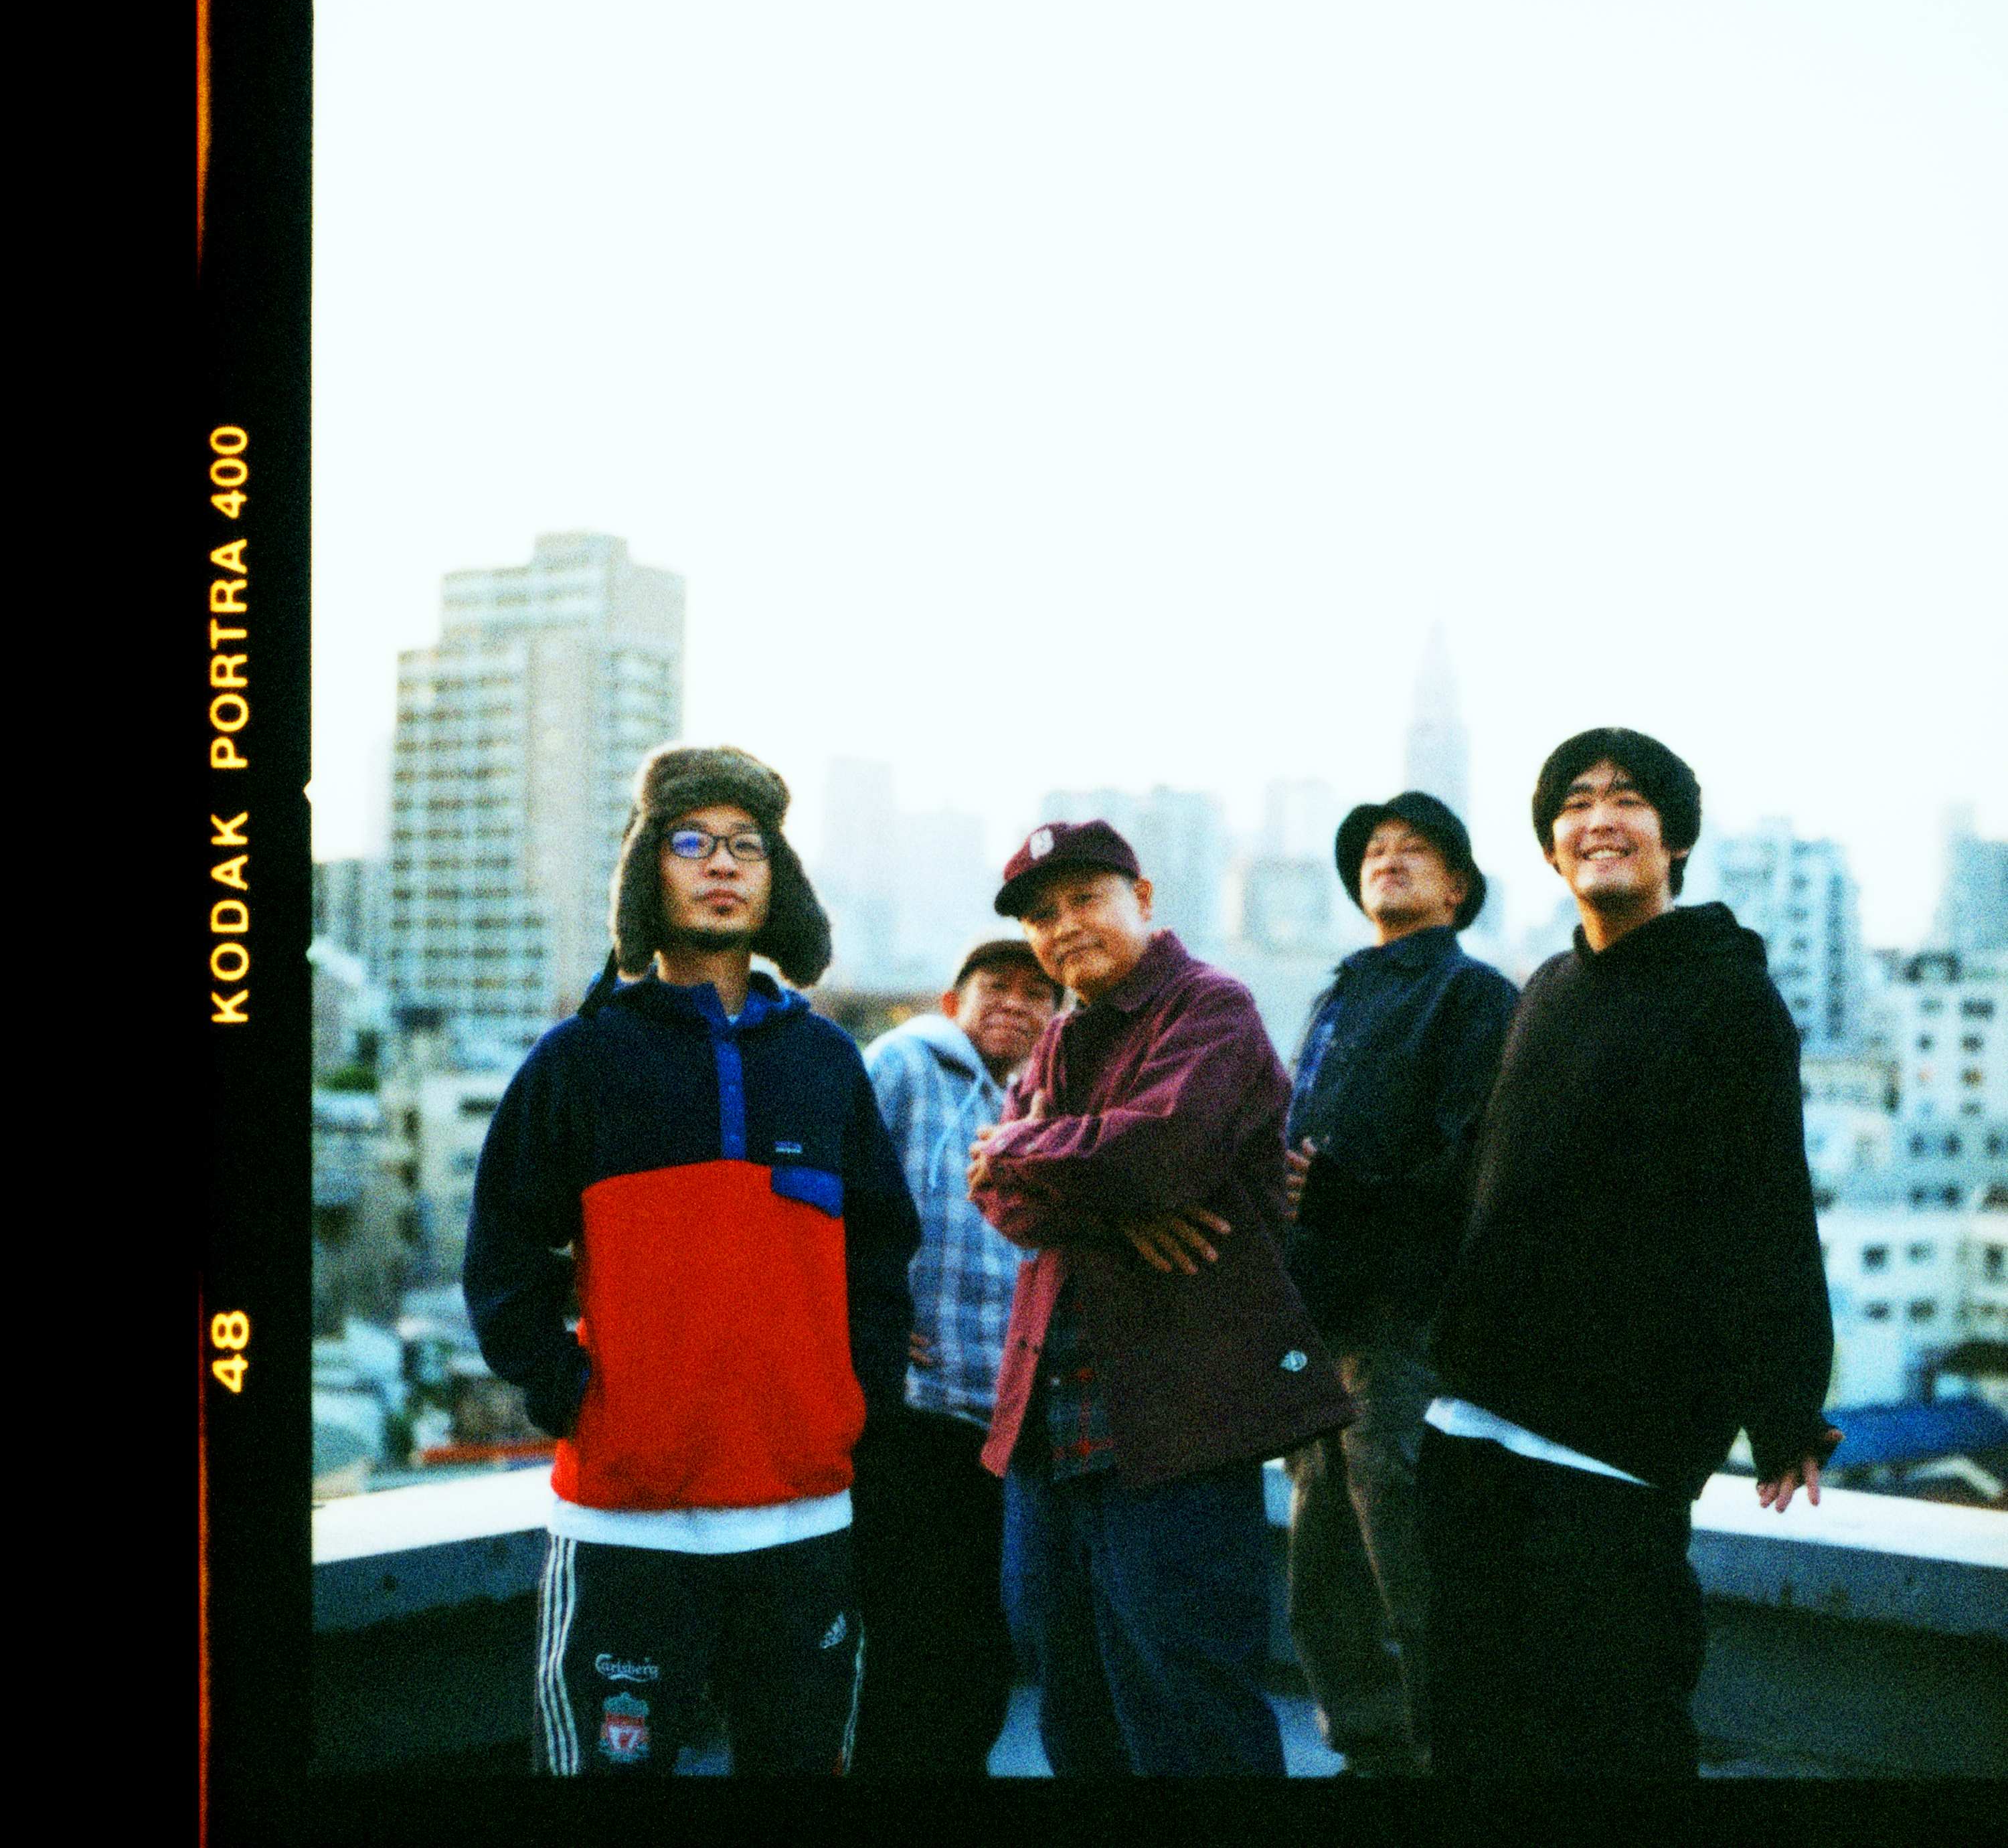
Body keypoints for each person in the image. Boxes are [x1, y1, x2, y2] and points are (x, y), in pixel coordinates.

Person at [463, 744, 920, 1776]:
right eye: (691, 842)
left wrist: (856, 1398)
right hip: (627, 1517)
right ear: (647, 871)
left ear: (776, 878)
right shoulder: (581, 1058)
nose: (722, 864)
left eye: (746, 846)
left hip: (803, 1508)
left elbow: (881, 1257)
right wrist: (567, 1389)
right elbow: (502, 1249)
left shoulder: (827, 1063)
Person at [1420, 728, 1839, 1778]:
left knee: (1615, 1733)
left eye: (1628, 799)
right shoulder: (1548, 988)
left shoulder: (1726, 995)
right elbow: (1483, 1176)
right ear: (1550, 848)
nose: (1599, 819)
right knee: (1471, 1726)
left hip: (1612, 1439)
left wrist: (1784, 1400)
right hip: (1473, 1417)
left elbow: (1765, 1202)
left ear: (1674, 839)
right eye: (1575, 803)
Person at [966, 818, 1355, 1777]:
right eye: (1042, 916)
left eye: (1085, 899)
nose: (1064, 927)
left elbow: (1160, 1154)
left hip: (1178, 1419)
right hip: (1052, 1422)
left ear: (1142, 900)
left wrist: (1021, 1146)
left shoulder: (1210, 1006)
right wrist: (1103, 1201)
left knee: (1190, 1703)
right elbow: (1000, 1203)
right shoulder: (1057, 1039)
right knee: (1073, 1701)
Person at [1280, 791, 1518, 1775]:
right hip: (1319, 1322)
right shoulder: (1340, 994)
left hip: (1405, 1322)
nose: (1387, 859)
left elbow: (1480, 1163)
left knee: (1405, 1557)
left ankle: (1448, 1758)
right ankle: (1371, 1753)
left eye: (1414, 849)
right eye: (1375, 850)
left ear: (1458, 889)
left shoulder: (1473, 996)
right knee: (1321, 1566)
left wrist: (1347, 1197)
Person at [848, 935, 1066, 1776]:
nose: (1014, 1002)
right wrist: (856, 1311)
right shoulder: (903, 1063)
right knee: (911, 1636)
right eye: (994, 985)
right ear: (952, 1002)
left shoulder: (1047, 1107)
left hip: (1005, 1425)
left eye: (1036, 993)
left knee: (981, 1641)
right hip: (912, 1409)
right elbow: (827, 1189)